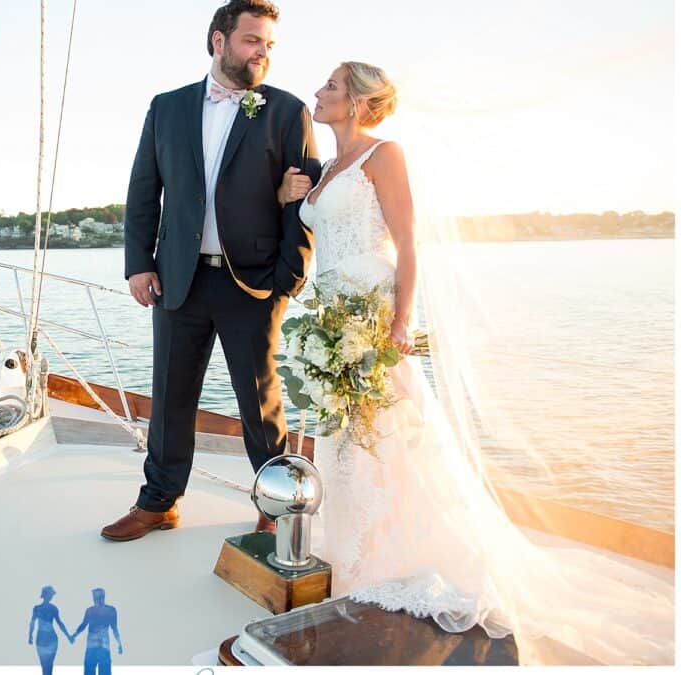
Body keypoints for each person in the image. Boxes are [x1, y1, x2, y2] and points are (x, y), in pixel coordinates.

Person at [276, 60, 674, 665]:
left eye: (330, 86)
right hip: (330, 317)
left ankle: (386, 564)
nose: (318, 92)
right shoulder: (326, 169)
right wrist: (289, 198)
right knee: (346, 444)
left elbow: (407, 243)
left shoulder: (385, 156)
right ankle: (353, 559)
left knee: (388, 441)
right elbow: (317, 233)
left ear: (357, 101)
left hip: (371, 317)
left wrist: (400, 321)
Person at [102, 0, 321, 542]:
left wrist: (287, 279)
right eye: (252, 41)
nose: (261, 53)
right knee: (171, 398)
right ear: (219, 40)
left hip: (253, 283)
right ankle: (159, 502)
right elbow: (142, 192)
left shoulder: (288, 111)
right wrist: (138, 265)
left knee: (259, 404)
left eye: (269, 45)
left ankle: (274, 504)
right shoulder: (167, 107)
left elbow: (303, 203)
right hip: (179, 280)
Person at [70, 588, 122, 675]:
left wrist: (119, 643)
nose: (95, 600)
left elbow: (114, 628)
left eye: (97, 597)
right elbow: (83, 625)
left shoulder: (104, 610)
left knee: (97, 671)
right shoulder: (106, 610)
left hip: (98, 647)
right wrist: (119, 644)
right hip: (98, 647)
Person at [27, 585, 72, 675]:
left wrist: (68, 636)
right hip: (41, 639)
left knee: (49, 665)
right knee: (44, 666)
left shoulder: (53, 609)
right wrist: (30, 635)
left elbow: (60, 623)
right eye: (50, 594)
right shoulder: (37, 609)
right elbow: (32, 622)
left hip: (51, 639)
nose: (51, 596)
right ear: (45, 595)